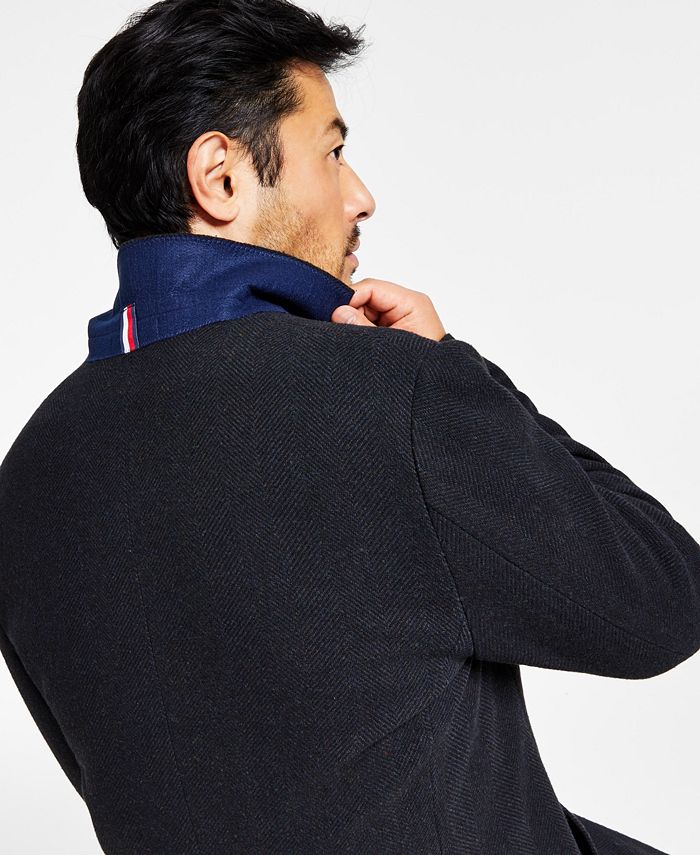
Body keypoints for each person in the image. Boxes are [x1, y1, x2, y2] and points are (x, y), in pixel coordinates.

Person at [1, 1, 697, 852]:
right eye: (331, 153)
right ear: (220, 176)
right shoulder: (388, 392)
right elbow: (662, 602)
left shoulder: (25, 481)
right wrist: (456, 371)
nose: (360, 196)